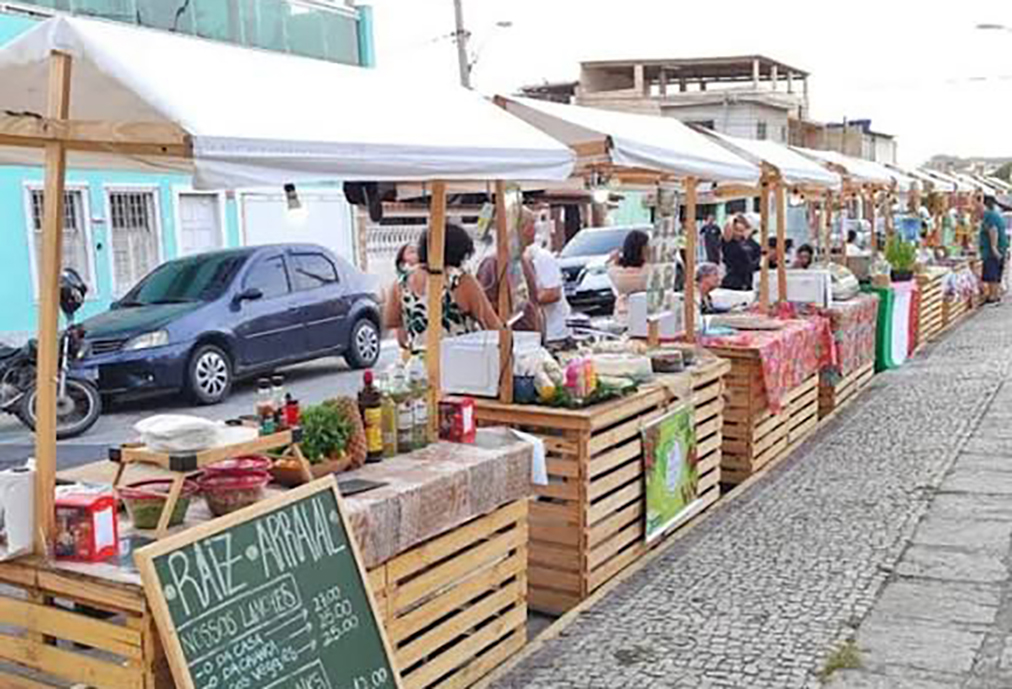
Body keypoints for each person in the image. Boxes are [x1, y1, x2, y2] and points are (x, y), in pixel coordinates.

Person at [384, 223, 502, 352]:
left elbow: (391, 321)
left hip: (420, 364)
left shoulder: (401, 283)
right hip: (459, 362)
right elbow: (492, 324)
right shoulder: (460, 280)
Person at [522, 208, 573, 346]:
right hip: (536, 334)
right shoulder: (519, 257)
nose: (535, 230)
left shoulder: (542, 258)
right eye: (532, 224)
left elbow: (552, 293)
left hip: (554, 334)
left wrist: (521, 303)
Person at [607, 229, 650, 324]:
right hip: (644, 314)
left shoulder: (615, 271)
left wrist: (613, 259)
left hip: (623, 314)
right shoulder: (647, 270)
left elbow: (609, 266)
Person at [979, 195, 1009, 304]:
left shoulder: (989, 215)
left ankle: (993, 296)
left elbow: (993, 230)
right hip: (1001, 247)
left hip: (992, 250)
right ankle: (995, 294)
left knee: (992, 272)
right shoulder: (995, 214)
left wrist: (993, 248)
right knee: (996, 272)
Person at [720, 214, 762, 291]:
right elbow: (745, 266)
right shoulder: (730, 244)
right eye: (737, 231)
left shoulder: (747, 242)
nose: (740, 234)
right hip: (735, 282)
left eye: (742, 231)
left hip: (746, 280)